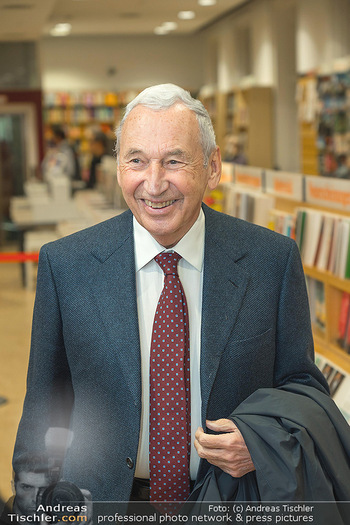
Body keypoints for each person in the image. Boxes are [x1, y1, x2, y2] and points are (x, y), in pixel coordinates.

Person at [13, 84, 349, 506]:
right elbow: (46, 402)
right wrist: (33, 502)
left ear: (212, 167)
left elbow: (302, 386)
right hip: (102, 503)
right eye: (137, 160)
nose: (154, 185)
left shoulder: (271, 261)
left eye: (174, 161)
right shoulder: (67, 266)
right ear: (119, 167)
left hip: (232, 500)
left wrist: (262, 442)